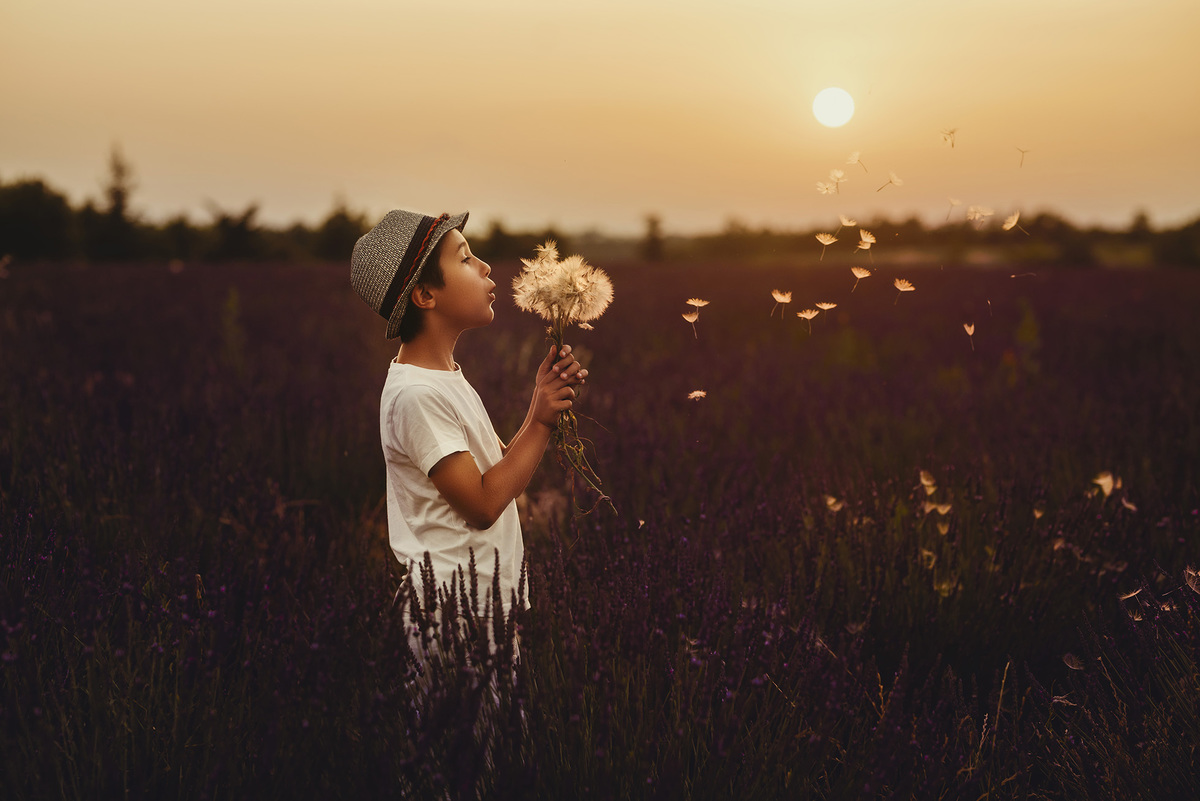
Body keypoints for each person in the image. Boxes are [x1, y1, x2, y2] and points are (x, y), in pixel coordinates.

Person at [350, 209, 586, 661]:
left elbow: (497, 471)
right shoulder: (417, 395)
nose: (485, 267)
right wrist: (538, 422)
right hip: (451, 616)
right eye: (464, 259)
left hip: (480, 607)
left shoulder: (444, 377)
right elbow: (481, 506)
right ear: (424, 295)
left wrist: (542, 400)